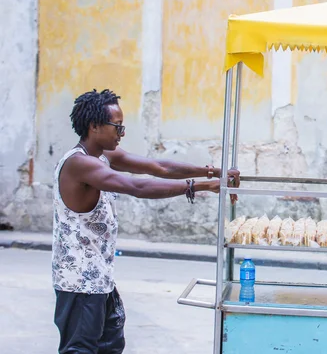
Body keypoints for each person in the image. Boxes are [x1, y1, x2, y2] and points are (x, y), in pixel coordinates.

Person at [51, 89, 240, 353]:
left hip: (99, 279)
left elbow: (159, 168)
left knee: (111, 346)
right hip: (79, 283)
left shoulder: (103, 156)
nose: (122, 133)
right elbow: (137, 186)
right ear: (94, 126)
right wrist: (202, 186)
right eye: (117, 126)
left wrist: (213, 172)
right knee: (81, 350)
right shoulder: (80, 164)